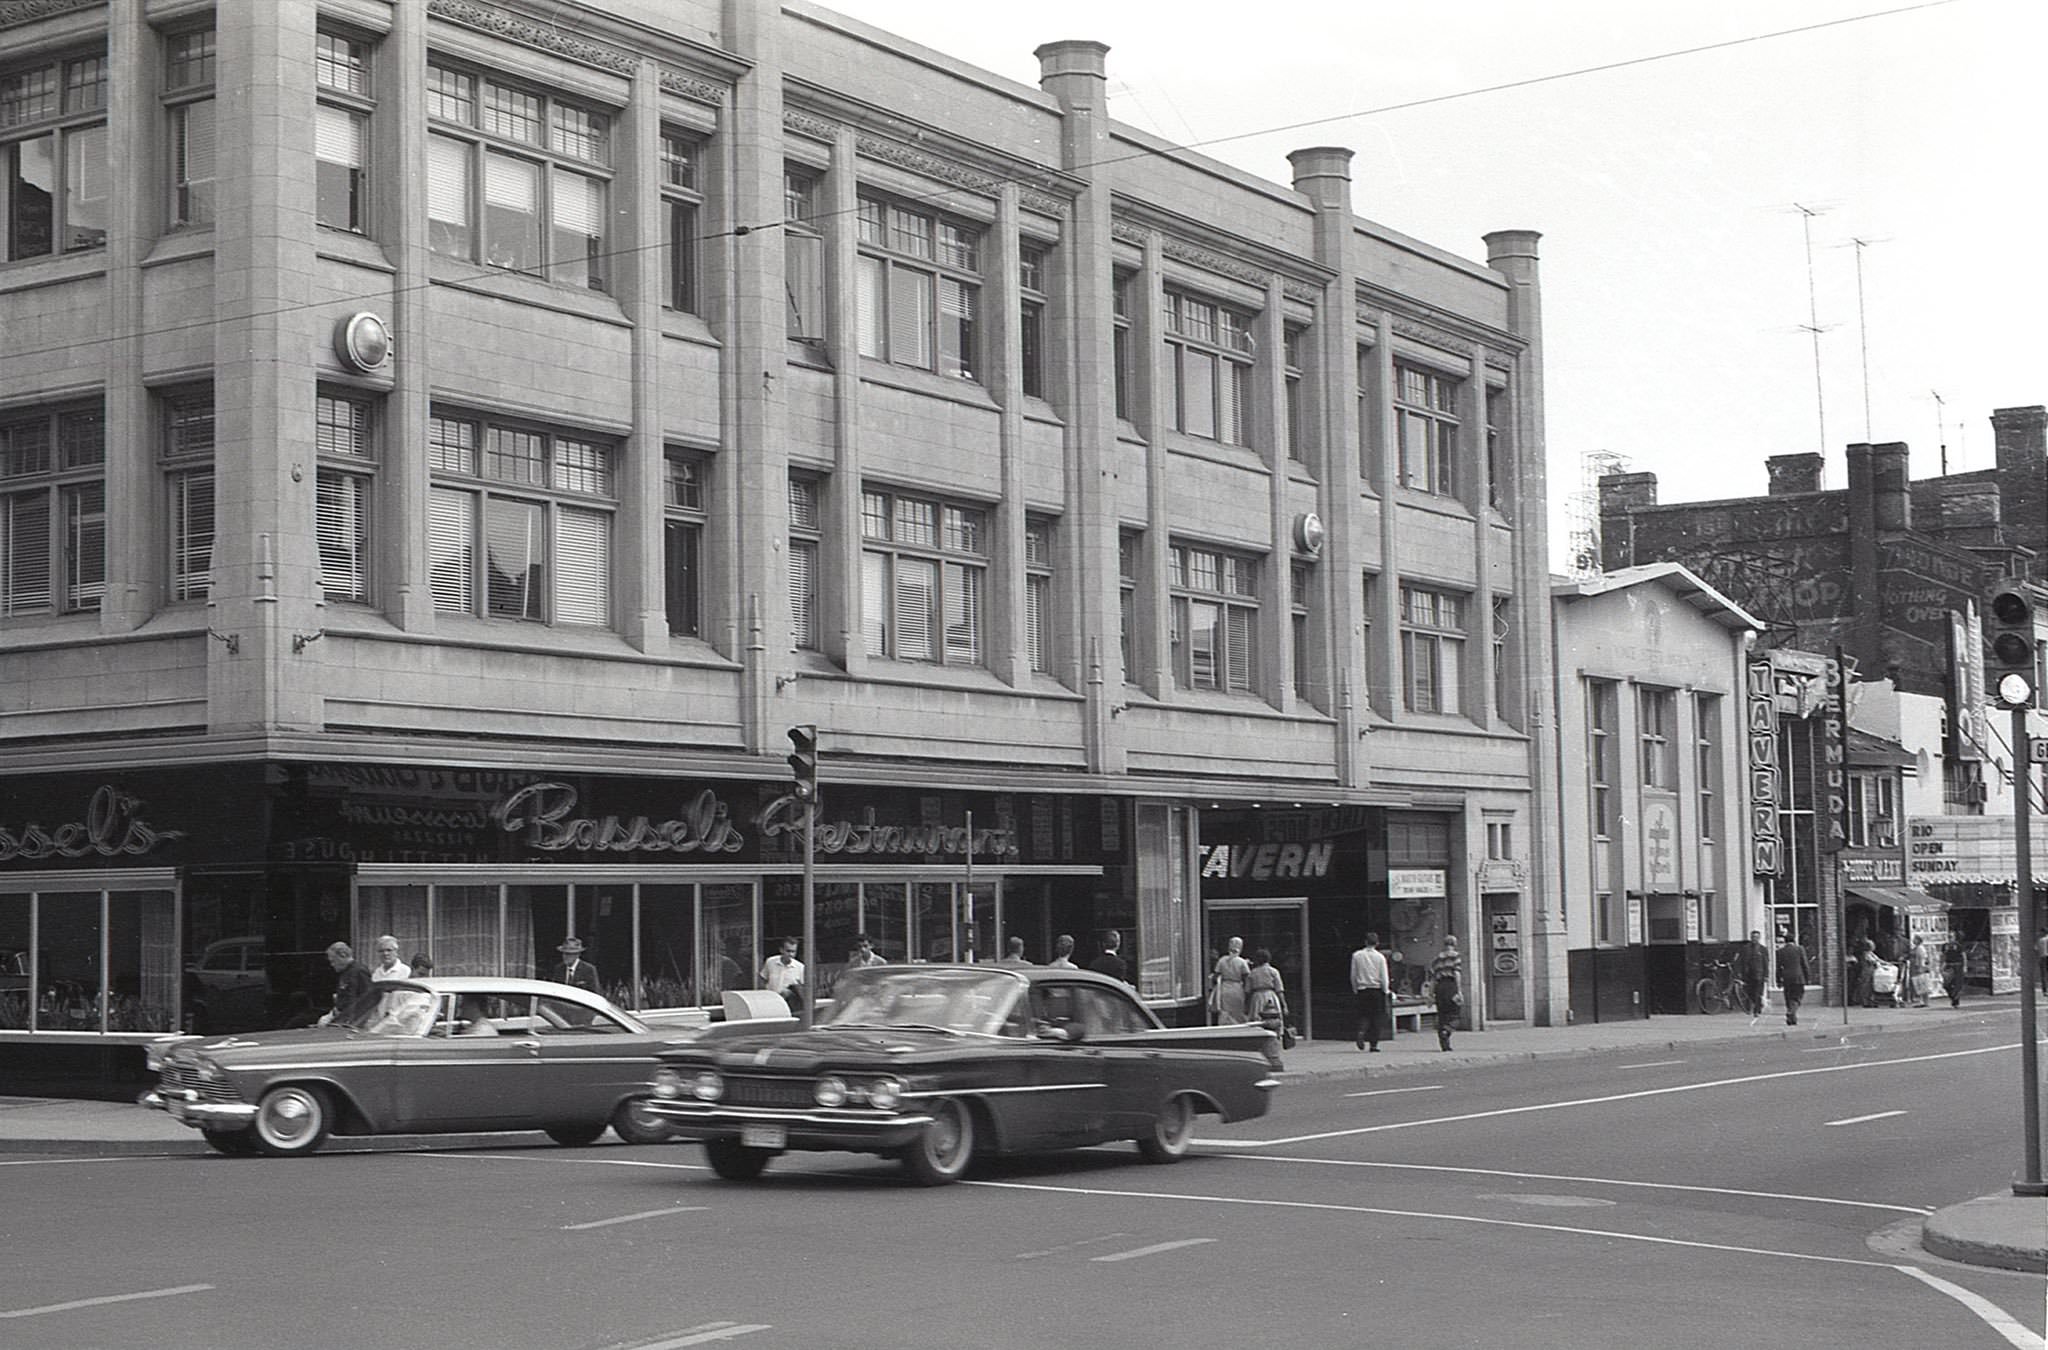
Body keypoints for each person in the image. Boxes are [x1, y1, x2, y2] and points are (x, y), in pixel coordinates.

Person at [1348, 931, 1393, 1052]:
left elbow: (1353, 974)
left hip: (1362, 990)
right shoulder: (1380, 957)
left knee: (1363, 1015)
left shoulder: (1357, 955)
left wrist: (1355, 988)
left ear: (1365, 942)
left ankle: (1361, 1032)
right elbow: (1384, 977)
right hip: (1376, 990)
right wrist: (1386, 990)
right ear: (1377, 943)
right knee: (1376, 1017)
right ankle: (1373, 1044)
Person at [319, 942, 371, 1025]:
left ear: (343, 955)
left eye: (333, 961)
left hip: (354, 1022)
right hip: (343, 1019)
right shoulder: (345, 973)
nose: (332, 965)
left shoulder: (359, 971)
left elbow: (368, 999)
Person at [1245, 949, 1288, 1044]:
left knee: (1256, 1018)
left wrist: (1247, 1005)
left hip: (1257, 997)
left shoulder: (1253, 973)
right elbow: (1279, 989)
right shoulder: (1274, 971)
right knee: (1274, 1019)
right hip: (1271, 995)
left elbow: (1247, 990)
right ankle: (1275, 1038)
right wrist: (1284, 1005)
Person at [1430, 934, 1463, 1051]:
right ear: (1454, 944)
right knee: (1456, 1013)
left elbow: (1433, 978)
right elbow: (1457, 973)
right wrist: (1459, 991)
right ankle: (1447, 1030)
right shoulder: (1455, 956)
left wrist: (1430, 995)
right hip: (1451, 986)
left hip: (1440, 988)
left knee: (1442, 1014)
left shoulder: (1437, 958)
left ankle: (1444, 1044)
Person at [1210, 936, 1251, 1025]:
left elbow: (1215, 975)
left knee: (1224, 1011)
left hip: (1224, 988)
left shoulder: (1222, 960)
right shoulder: (1242, 962)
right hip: (1237, 988)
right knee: (1238, 1010)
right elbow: (1246, 977)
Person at [761, 936, 805, 1014]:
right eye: (788, 951)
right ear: (781, 950)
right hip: (770, 1003)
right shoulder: (770, 962)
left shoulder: (800, 967)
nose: (791, 954)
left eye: (793, 952)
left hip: (789, 1005)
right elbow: (763, 979)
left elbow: (803, 989)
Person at [1776, 933, 1811, 1025]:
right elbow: (1805, 964)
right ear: (1794, 940)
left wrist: (1778, 980)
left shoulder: (1780, 951)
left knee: (1788, 997)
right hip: (1798, 978)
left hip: (1786, 978)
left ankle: (1792, 1019)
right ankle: (1791, 1012)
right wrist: (1808, 977)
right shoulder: (1800, 949)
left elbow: (1778, 967)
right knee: (1797, 997)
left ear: (1785, 941)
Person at [1734, 930, 1769, 1020]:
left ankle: (1756, 1010)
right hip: (1748, 974)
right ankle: (1756, 1005)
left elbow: (1766, 963)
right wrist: (1739, 972)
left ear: (1759, 938)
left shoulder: (1763, 949)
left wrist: (1766, 975)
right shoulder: (1745, 948)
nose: (1755, 939)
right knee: (1749, 992)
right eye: (1753, 937)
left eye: (1757, 937)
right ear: (1751, 938)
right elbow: (1740, 961)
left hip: (1759, 974)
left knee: (1758, 992)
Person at [1904, 934, 1934, 1007]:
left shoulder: (1920, 949)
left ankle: (1924, 1001)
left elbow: (1921, 959)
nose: (1913, 940)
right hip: (1914, 967)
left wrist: (1920, 967)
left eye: (1915, 939)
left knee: (1922, 984)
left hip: (1918, 967)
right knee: (1918, 984)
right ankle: (1921, 1001)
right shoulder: (1915, 948)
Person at [1851, 935, 1878, 1008]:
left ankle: (1869, 1000)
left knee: (1870, 986)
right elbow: (1872, 960)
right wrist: (1876, 962)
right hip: (1866, 971)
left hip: (1871, 971)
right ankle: (1864, 1001)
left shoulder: (1871, 953)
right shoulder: (1865, 954)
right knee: (1865, 985)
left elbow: (1878, 959)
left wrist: (1887, 963)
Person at [1942, 940, 1966, 1008]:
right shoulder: (1945, 946)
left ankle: (1956, 1001)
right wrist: (1942, 967)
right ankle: (1953, 997)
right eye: (1949, 936)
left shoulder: (1958, 945)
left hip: (1958, 966)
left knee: (1957, 984)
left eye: (1952, 936)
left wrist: (1965, 966)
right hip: (1949, 966)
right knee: (1946, 984)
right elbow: (1944, 956)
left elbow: (1963, 955)